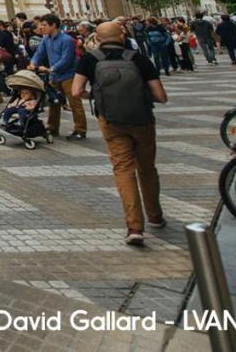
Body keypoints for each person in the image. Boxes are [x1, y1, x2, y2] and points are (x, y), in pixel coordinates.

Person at [72, 21, 167, 245]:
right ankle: (155, 215)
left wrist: (98, 96)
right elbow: (161, 96)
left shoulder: (90, 59)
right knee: (147, 168)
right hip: (142, 120)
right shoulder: (138, 58)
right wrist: (140, 96)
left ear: (97, 37)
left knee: (123, 169)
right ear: (121, 36)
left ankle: (134, 227)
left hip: (111, 121)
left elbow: (77, 91)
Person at [30, 13, 85, 141]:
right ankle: (53, 126)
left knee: (74, 103)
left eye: (44, 25)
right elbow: (39, 53)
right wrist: (33, 62)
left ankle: (80, 130)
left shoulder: (66, 40)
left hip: (68, 75)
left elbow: (67, 59)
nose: (41, 28)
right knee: (53, 101)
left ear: (53, 25)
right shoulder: (46, 39)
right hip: (54, 76)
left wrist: (51, 69)